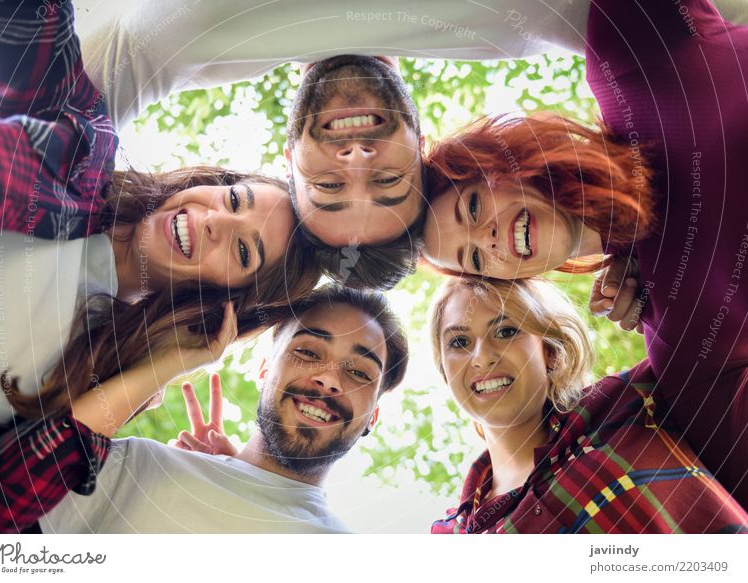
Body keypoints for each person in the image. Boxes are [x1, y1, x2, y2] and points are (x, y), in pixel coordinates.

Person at [73, 0, 747, 289]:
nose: (358, 161)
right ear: (421, 143)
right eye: (388, 184)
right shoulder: (517, 26)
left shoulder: (188, 42)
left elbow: (60, 139)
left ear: (288, 164)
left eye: (329, 188)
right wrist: (621, 242)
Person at [421, 1, 748, 507]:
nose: (487, 238)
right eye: (476, 259)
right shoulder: (677, 329)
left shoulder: (634, 59)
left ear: (502, 163)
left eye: (473, 205)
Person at [0, 0, 321, 436]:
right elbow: (26, 26)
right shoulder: (79, 154)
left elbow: (1, 496)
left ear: (224, 300)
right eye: (235, 199)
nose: (218, 221)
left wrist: (162, 366)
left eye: (243, 251)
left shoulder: (99, 372)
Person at [0, 285, 409, 533]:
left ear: (374, 417)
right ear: (264, 369)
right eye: (308, 352)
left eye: (359, 373)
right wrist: (163, 368)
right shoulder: (139, 468)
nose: (329, 378)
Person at [428, 276, 748, 533]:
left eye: (506, 330)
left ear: (550, 352)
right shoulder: (449, 540)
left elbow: (723, 318)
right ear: (445, 369)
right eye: (459, 342)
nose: (482, 357)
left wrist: (650, 274)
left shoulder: (630, 401)